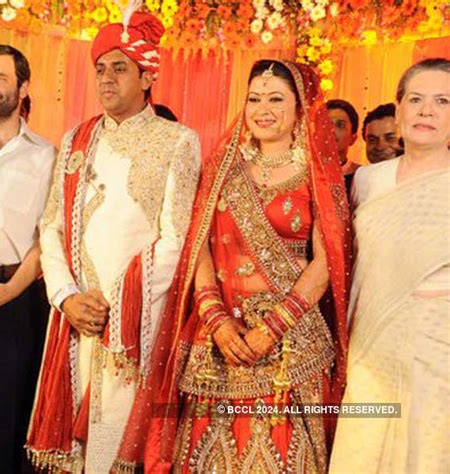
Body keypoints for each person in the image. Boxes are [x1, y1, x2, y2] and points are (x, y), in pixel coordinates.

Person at [134, 59, 351, 473]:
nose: (262, 109)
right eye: (254, 98)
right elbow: (200, 244)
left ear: (301, 108)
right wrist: (215, 317)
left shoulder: (317, 175)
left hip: (290, 347)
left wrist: (273, 328)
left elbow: (327, 262)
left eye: (275, 99)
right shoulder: (222, 169)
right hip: (221, 341)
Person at [26, 10, 201, 473]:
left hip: (137, 324)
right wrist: (67, 298)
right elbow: (52, 228)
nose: (106, 79)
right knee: (71, 455)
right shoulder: (76, 140)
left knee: (115, 445)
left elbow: (177, 237)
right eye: (100, 69)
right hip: (75, 318)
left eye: (119, 68)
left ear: (147, 77)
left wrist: (119, 307)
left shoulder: (178, 141)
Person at [330, 58, 450, 473]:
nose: (427, 111)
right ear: (398, 111)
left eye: (442, 101)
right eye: (415, 100)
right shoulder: (367, 181)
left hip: (439, 349)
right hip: (371, 346)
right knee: (361, 453)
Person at [0, 44, 55, 474]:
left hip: (17, 297)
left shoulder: (46, 156)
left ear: (23, 87)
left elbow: (49, 239)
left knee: (6, 422)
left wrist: (10, 290)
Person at [326, 99, 359, 193]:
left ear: (353, 139)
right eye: (326, 124)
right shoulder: (302, 173)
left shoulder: (360, 176)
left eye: (340, 125)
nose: (331, 130)